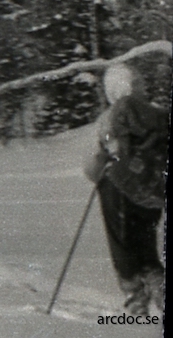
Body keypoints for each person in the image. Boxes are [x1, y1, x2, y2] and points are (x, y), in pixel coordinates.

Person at [82, 48, 169, 316]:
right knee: (146, 245)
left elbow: (95, 165)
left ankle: (136, 305)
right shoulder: (159, 116)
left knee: (124, 248)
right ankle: (160, 290)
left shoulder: (111, 118)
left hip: (118, 191)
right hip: (153, 192)